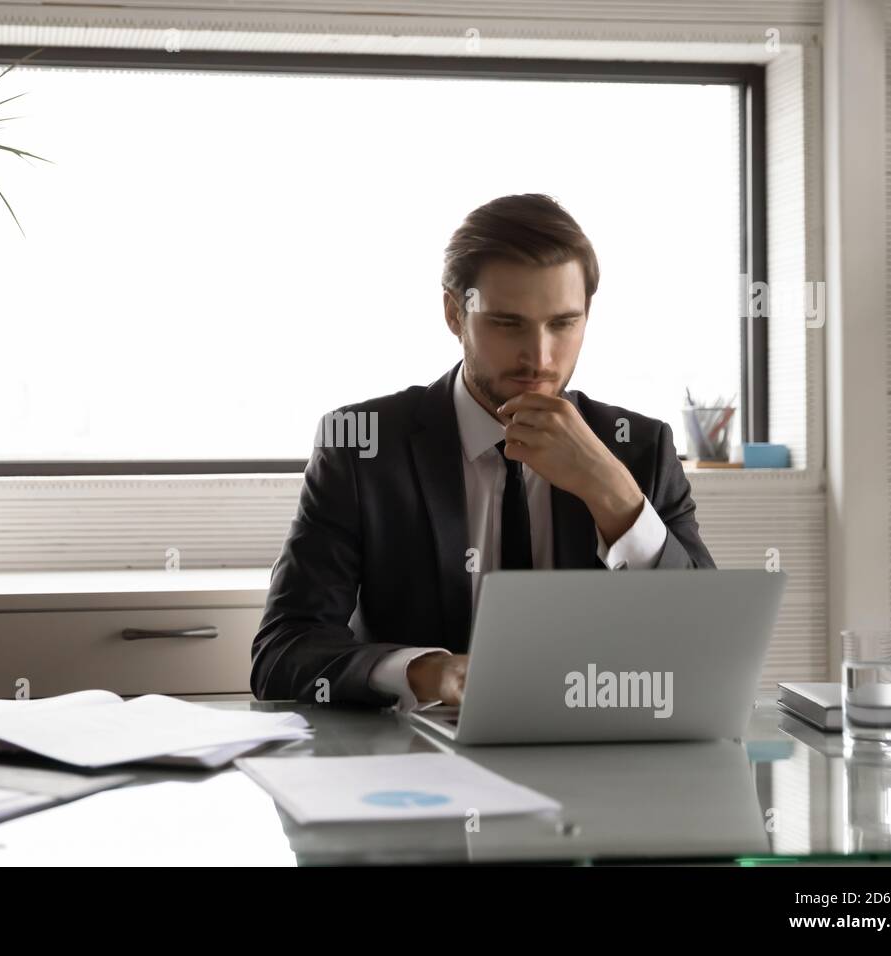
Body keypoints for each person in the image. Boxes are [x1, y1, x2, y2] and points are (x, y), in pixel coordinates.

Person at [251, 193, 715, 711]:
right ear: (455, 313)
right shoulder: (361, 446)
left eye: (563, 324)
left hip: (600, 765)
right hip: (417, 774)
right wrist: (424, 672)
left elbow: (710, 650)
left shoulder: (640, 450)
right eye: (507, 323)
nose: (539, 358)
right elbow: (281, 655)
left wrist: (615, 497)